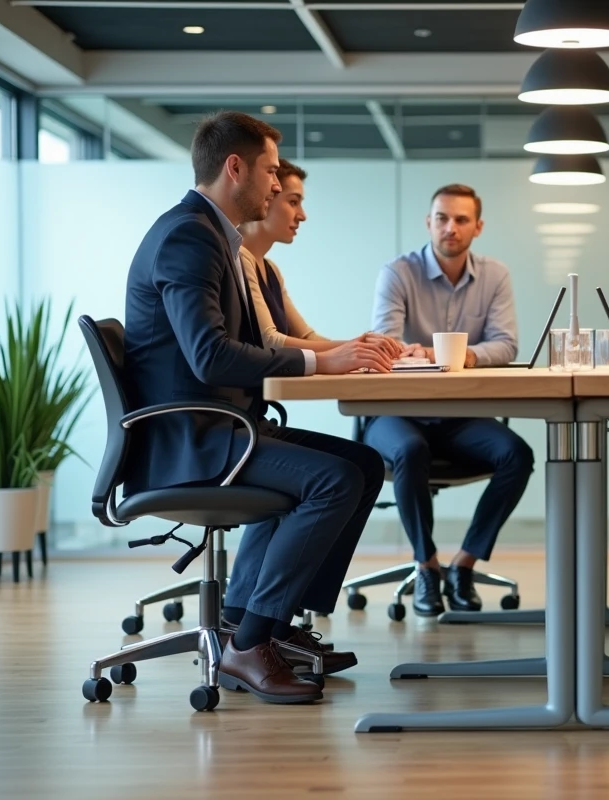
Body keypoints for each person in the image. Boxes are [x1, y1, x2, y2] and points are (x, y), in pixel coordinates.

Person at [123, 111, 396, 705]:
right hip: (191, 441)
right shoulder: (189, 237)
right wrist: (321, 362)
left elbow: (247, 345)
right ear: (235, 168)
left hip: (224, 427)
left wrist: (329, 357)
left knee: (363, 464)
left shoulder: (216, 237)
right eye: (271, 172)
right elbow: (210, 356)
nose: (277, 184)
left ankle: (267, 625)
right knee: (332, 481)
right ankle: (249, 643)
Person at [364, 184, 534, 617]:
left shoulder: (495, 275)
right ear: (429, 223)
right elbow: (384, 344)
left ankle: (464, 564)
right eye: (441, 218)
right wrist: (413, 353)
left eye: (461, 220)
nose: (450, 228)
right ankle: (426, 566)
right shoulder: (398, 272)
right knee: (409, 450)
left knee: (517, 455)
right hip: (397, 414)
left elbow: (506, 344)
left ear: (478, 227)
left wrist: (453, 356)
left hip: (460, 416)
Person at [239, 158, 403, 356]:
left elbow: (307, 337)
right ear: (266, 198)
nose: (302, 215)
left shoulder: (271, 270)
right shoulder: (241, 258)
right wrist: (358, 346)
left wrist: (361, 344)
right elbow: (270, 341)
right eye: (293, 202)